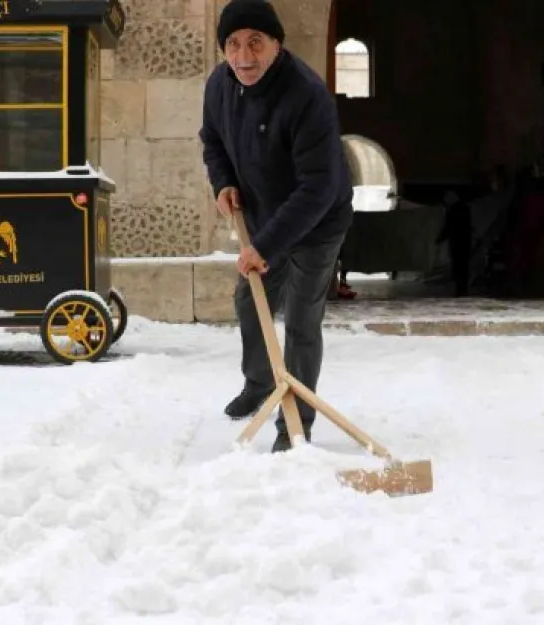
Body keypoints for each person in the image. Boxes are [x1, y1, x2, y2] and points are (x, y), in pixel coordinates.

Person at [198, 0, 354, 453]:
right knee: (251, 300)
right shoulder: (220, 85)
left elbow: (319, 186)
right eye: (233, 44)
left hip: (318, 220)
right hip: (265, 214)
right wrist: (223, 181)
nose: (244, 57)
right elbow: (212, 141)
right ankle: (260, 383)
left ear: (276, 44)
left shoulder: (306, 95)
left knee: (302, 319)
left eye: (255, 44)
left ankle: (296, 421)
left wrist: (262, 245)